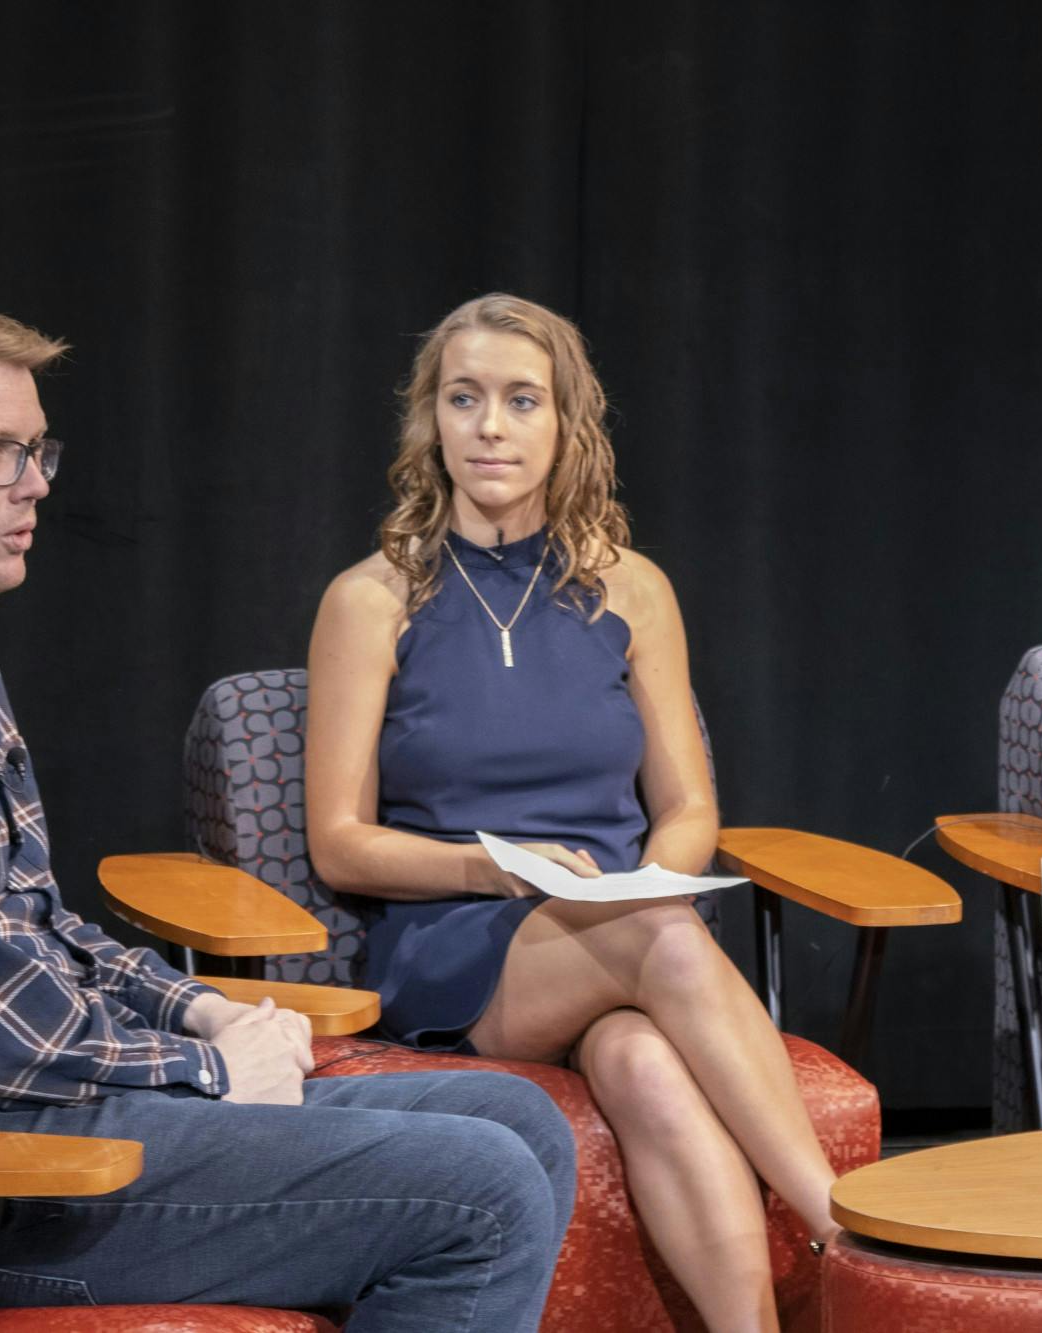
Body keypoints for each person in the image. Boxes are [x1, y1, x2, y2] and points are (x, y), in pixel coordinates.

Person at [0, 292, 574, 1327]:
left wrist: (197, 1006)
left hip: (31, 1126)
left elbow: (33, 927)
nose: (34, 484)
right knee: (480, 1188)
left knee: (517, 1116)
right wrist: (207, 1068)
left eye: (40, 449)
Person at [306, 293, 835, 1333]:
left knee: (643, 1058)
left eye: (518, 400)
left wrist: (652, 876)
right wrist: (490, 869)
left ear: (565, 425)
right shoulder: (371, 599)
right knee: (666, 943)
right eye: (464, 399)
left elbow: (686, 806)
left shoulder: (630, 590)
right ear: (432, 420)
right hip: (459, 941)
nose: (489, 427)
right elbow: (339, 840)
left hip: (622, 925)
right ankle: (848, 1229)